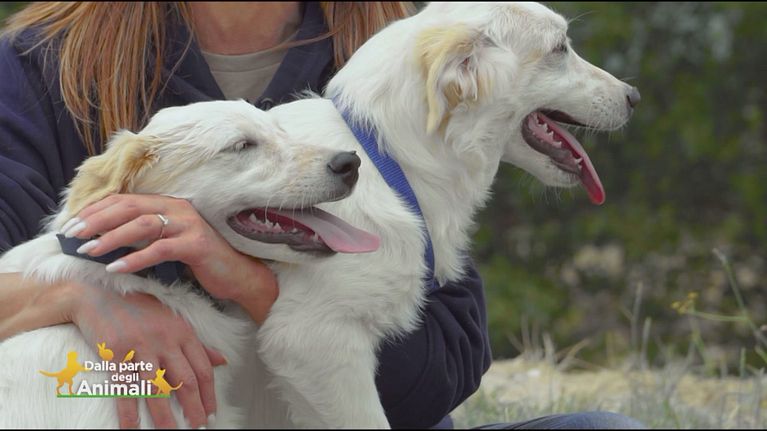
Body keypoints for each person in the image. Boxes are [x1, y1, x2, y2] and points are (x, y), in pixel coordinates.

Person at [0, 2, 644, 429]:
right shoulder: (42, 63)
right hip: (119, 391)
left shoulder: (396, 54)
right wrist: (82, 299)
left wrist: (255, 286)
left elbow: (443, 369)